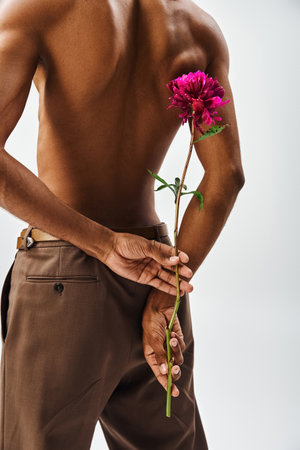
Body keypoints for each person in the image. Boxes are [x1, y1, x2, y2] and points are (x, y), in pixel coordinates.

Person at [0, 0, 245, 448]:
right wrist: (164, 289)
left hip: (64, 276)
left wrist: (103, 244)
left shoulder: (42, 10)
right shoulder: (197, 28)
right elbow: (227, 175)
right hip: (156, 277)